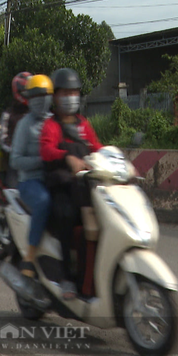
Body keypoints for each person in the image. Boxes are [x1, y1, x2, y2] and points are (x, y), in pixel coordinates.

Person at [40, 68, 103, 300]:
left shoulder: (83, 124)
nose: (70, 97)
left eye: (74, 92)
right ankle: (66, 276)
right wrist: (66, 157)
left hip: (84, 188)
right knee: (67, 217)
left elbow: (97, 147)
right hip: (61, 188)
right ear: (55, 97)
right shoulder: (51, 125)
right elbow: (46, 149)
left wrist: (118, 161)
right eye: (65, 93)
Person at [9, 74, 54, 282]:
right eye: (35, 96)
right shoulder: (25, 125)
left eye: (44, 95)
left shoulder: (55, 122)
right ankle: (30, 255)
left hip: (53, 179)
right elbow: (15, 160)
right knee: (44, 202)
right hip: (30, 182)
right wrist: (41, 160)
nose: (40, 100)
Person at [0, 72, 32, 188]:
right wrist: (18, 152)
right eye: (27, 91)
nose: (30, 95)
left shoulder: (37, 114)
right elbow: (4, 141)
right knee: (15, 193)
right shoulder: (8, 114)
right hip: (15, 164)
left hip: (36, 161)